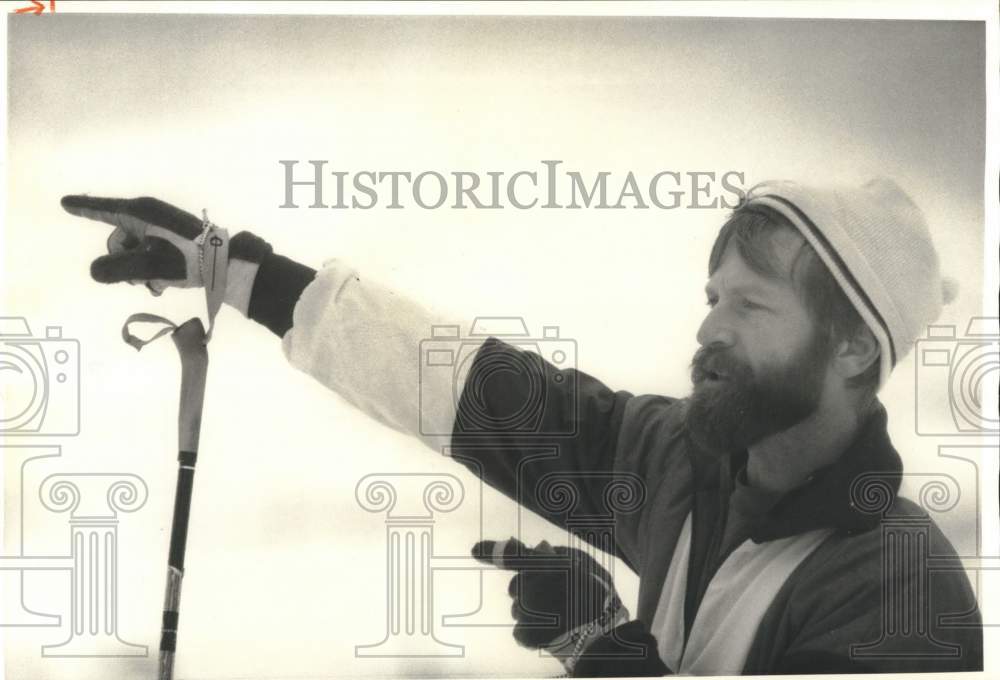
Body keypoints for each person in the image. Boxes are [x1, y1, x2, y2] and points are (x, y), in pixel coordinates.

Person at [61, 178, 982, 676]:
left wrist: (600, 648)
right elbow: (464, 383)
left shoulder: (904, 594)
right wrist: (234, 270)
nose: (708, 330)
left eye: (751, 304)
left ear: (857, 346)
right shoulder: (674, 462)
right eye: (711, 298)